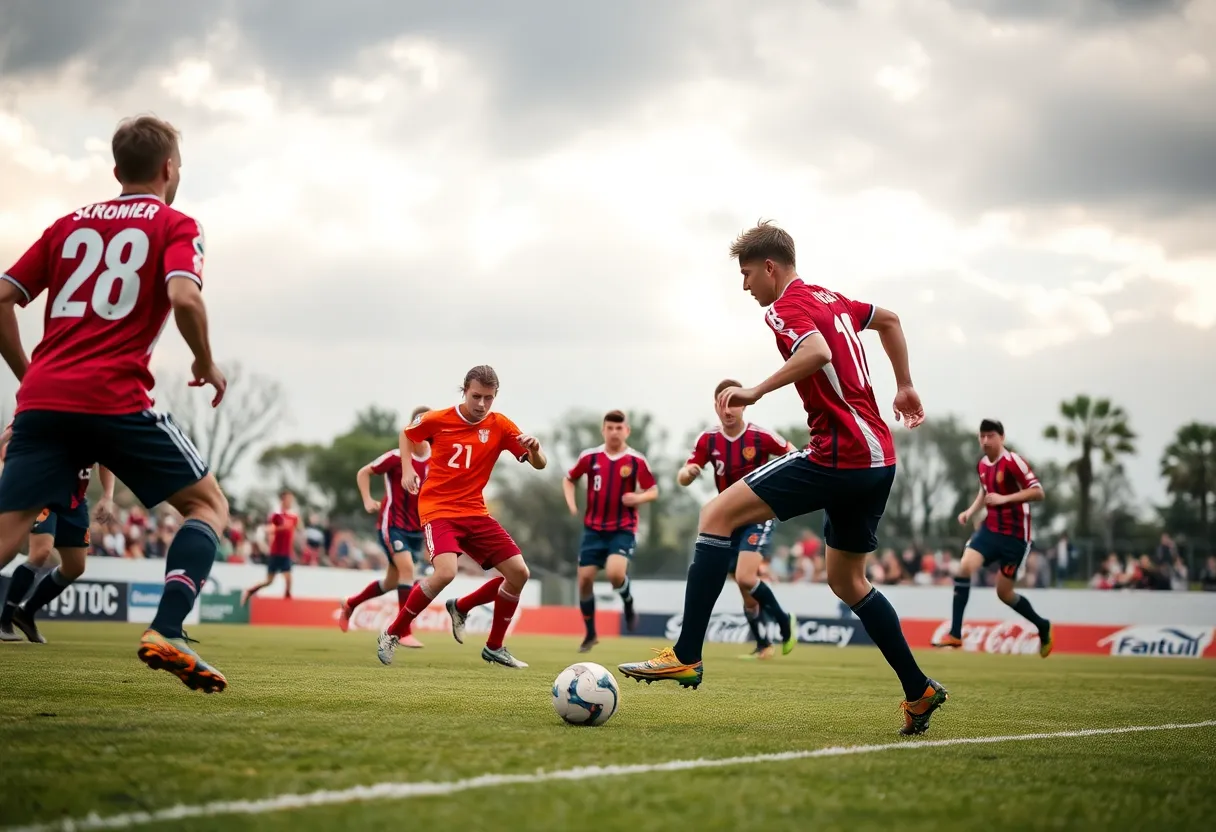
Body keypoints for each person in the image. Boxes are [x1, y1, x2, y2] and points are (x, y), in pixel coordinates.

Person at [619, 220, 948, 736]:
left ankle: (686, 654)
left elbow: (815, 353)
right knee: (847, 581)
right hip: (879, 458)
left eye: (747, 275)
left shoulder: (786, 308)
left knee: (715, 513)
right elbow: (890, 319)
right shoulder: (830, 296)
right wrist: (904, 385)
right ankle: (919, 690)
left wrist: (755, 391)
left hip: (840, 454)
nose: (745, 286)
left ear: (770, 268)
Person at [0, 115, 230, 692]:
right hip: (114, 397)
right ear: (170, 168)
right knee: (207, 505)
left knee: (6, 537)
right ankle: (167, 629)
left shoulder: (66, 225)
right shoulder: (176, 223)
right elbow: (184, 296)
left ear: (115, 170)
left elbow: (3, 297)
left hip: (45, 399)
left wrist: (32, 377)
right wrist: (203, 360)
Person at [376, 365, 547, 669]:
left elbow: (540, 465)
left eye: (489, 398)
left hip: (475, 511)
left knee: (519, 573)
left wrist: (536, 450)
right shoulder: (438, 418)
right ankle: (392, 632)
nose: (481, 404)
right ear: (464, 390)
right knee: (445, 573)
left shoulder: (500, 425)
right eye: (476, 396)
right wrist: (405, 469)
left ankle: (491, 642)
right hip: (438, 509)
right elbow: (407, 434)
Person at [677, 380, 798, 659]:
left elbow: (794, 456)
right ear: (715, 405)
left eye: (734, 402)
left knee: (746, 577)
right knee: (745, 589)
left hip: (758, 515)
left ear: (745, 404)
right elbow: (683, 476)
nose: (728, 409)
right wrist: (689, 472)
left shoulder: (761, 436)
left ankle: (783, 623)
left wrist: (781, 488)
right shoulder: (708, 440)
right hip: (728, 522)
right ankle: (764, 645)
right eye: (723, 402)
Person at [934, 420, 1053, 656]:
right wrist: (970, 511)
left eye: (991, 436)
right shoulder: (982, 464)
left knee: (1004, 593)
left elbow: (1038, 492)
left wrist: (1004, 499)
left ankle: (1042, 625)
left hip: (1016, 537)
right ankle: (956, 634)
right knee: (964, 567)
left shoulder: (1012, 461)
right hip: (990, 530)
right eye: (982, 436)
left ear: (1002, 438)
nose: (986, 441)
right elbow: (985, 492)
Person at [0, 426, 117, 643]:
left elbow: (106, 460)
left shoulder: (99, 422)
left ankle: (26, 612)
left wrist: (107, 496)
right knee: (41, 552)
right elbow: (12, 438)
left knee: (75, 567)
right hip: (44, 494)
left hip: (75, 501)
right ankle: (4, 619)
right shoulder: (53, 413)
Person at [563, 409, 656, 652]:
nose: (614, 432)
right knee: (584, 581)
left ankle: (628, 601)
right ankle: (591, 633)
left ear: (627, 431)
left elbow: (653, 490)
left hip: (622, 529)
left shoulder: (636, 460)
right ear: (603, 430)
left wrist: (639, 498)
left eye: (619, 428)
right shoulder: (590, 457)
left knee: (615, 575)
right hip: (593, 530)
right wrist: (572, 504)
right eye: (610, 428)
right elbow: (569, 479)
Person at [339, 405, 432, 643]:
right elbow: (364, 472)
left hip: (417, 529)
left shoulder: (437, 459)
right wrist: (368, 499)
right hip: (392, 525)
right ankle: (402, 631)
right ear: (413, 427)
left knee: (393, 581)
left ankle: (351, 604)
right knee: (408, 571)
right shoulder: (396, 457)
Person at [241, 489, 300, 605]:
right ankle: (250, 590)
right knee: (269, 581)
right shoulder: (276, 514)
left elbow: (290, 528)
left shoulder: (293, 516)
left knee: (288, 578)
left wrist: (275, 528)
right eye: (288, 499)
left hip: (286, 552)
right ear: (283, 500)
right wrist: (269, 530)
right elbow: (272, 527)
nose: (290, 501)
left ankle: (287, 600)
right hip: (276, 551)